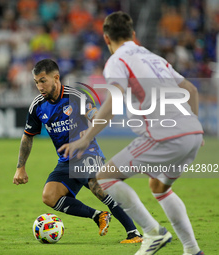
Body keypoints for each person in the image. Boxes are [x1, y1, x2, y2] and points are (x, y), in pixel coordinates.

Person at [59, 11, 204, 255]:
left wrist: (85, 138)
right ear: (133, 35)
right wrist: (194, 128)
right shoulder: (154, 57)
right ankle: (192, 250)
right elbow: (191, 89)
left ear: (106, 39)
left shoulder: (117, 61)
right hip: (193, 132)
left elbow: (114, 102)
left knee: (105, 177)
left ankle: (152, 232)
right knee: (159, 186)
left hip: (163, 135)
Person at [13, 59, 143, 243]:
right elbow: (27, 135)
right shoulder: (37, 106)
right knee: (49, 196)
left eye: (43, 80)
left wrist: (92, 125)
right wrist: (20, 167)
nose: (39, 86)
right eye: (36, 82)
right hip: (65, 160)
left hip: (88, 153)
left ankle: (134, 233)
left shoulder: (75, 96)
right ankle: (98, 216)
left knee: (98, 187)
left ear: (56, 78)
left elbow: (94, 115)